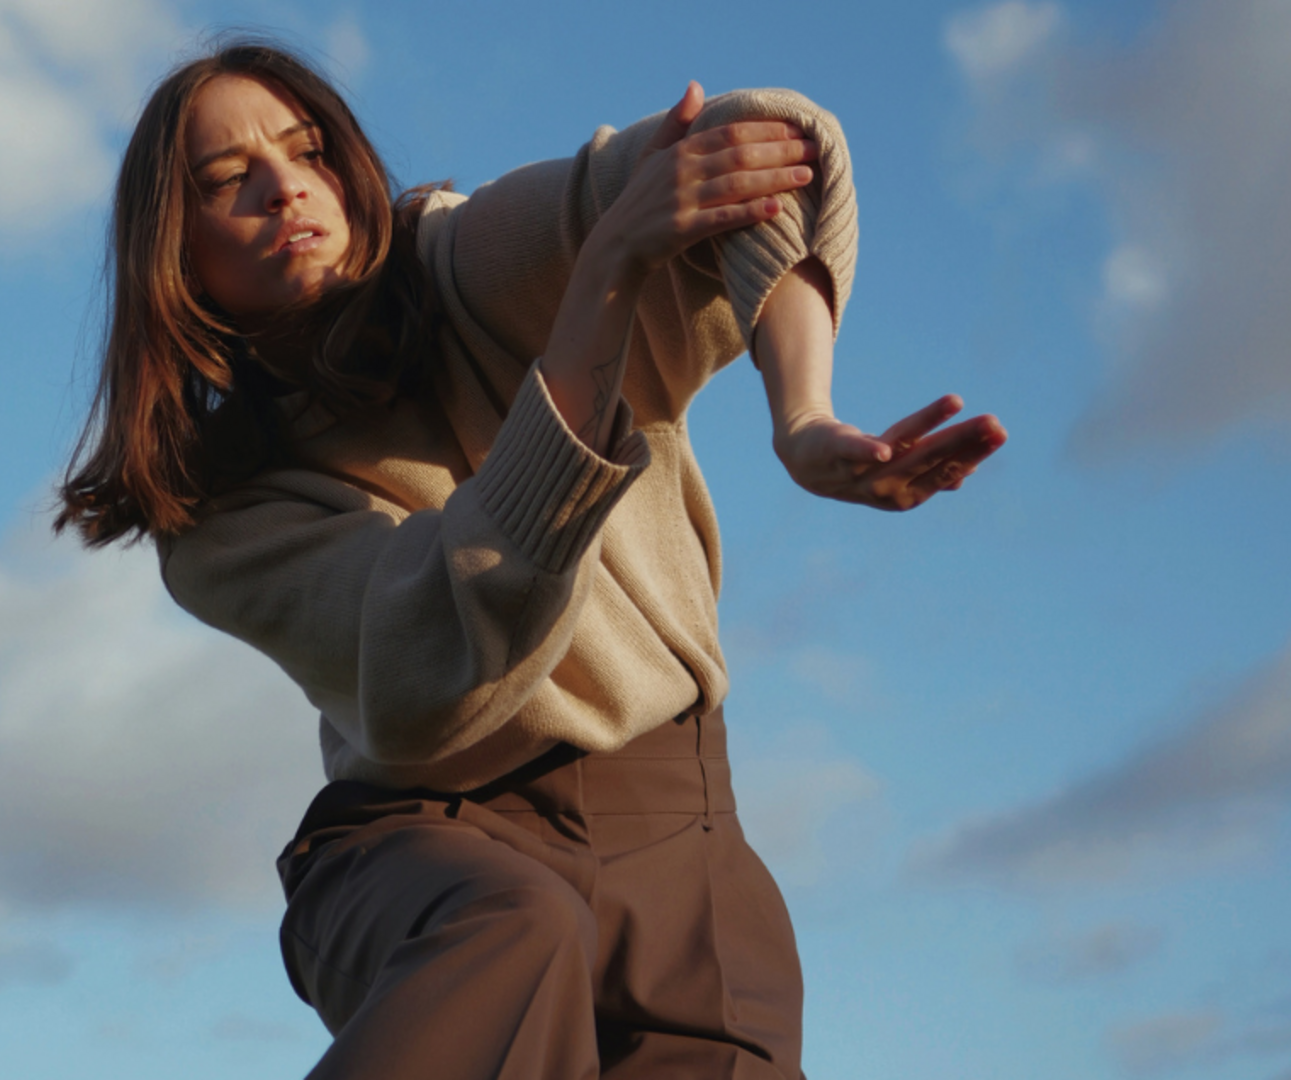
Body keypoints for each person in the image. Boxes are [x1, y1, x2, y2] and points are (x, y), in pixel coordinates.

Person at [56, 38, 1005, 1080]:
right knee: (517, 923)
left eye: (307, 152)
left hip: (684, 837)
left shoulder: (457, 260)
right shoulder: (216, 515)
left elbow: (770, 137)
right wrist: (605, 278)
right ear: (173, 251)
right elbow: (431, 671)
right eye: (228, 181)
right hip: (428, 842)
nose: (286, 189)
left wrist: (803, 415)